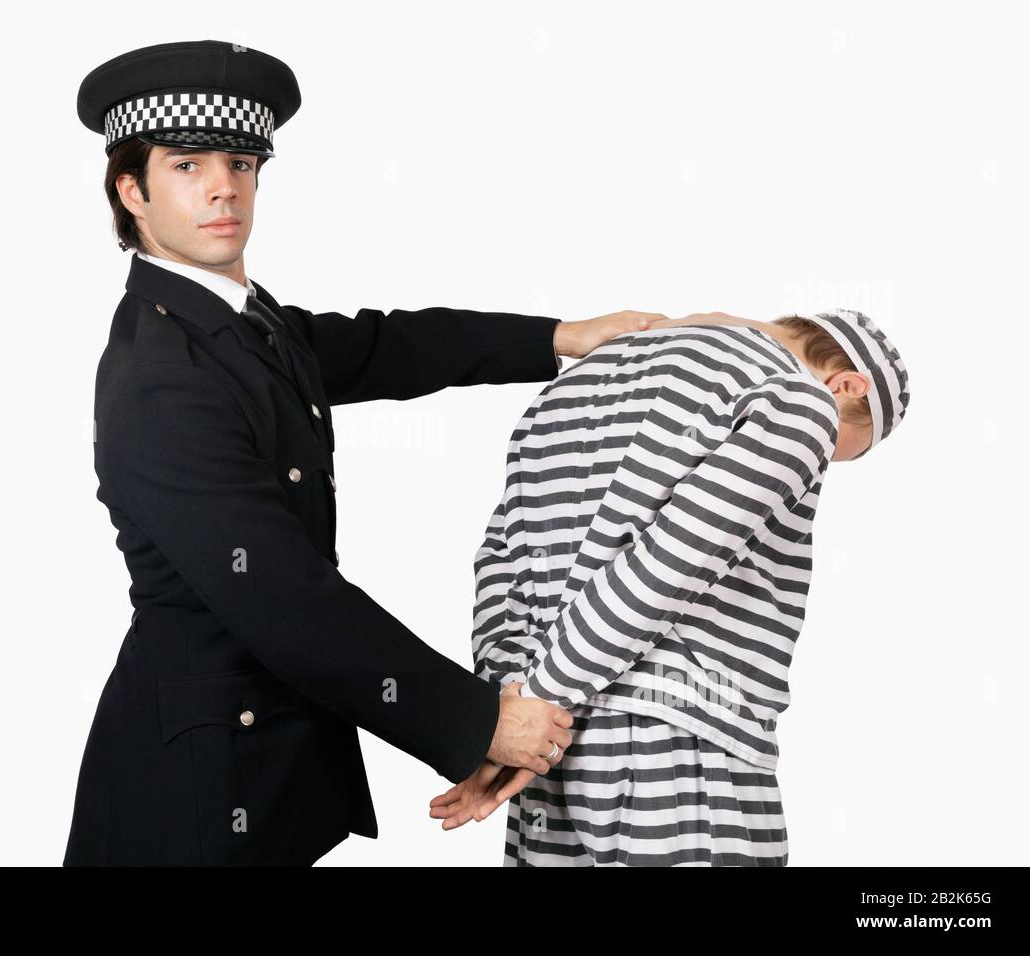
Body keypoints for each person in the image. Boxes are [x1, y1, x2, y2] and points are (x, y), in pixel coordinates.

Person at [63, 39, 662, 865]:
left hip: (262, 757)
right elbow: (286, 596)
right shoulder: (162, 374)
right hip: (194, 794)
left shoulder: (237, 321)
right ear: (131, 190)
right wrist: (478, 719)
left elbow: (382, 346)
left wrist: (559, 338)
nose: (222, 187)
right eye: (186, 165)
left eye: (240, 162)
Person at [430, 308, 910, 865]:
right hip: (682, 740)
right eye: (837, 451)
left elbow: (503, 556)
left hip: (541, 747)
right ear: (845, 385)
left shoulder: (578, 378)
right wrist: (541, 698)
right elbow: (663, 570)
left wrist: (505, 709)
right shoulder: (798, 402)